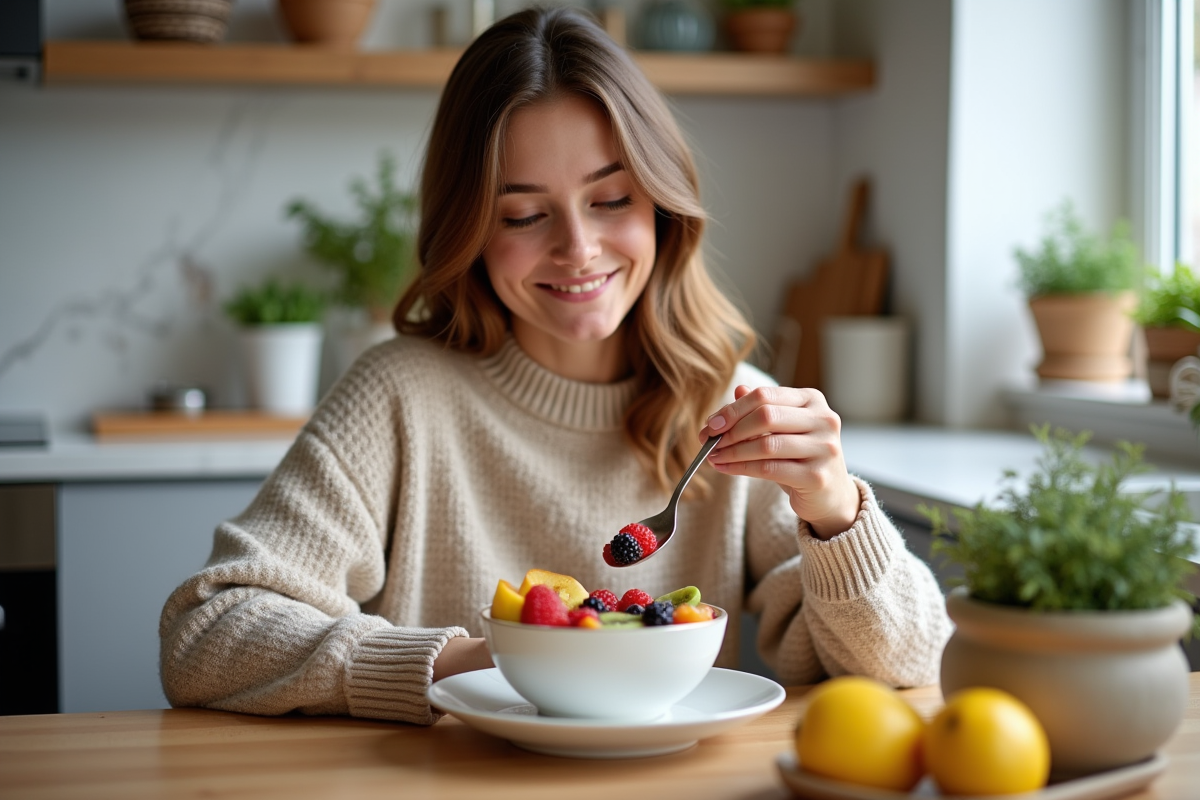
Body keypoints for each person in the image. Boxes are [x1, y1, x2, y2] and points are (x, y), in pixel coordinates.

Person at [160, 6, 951, 726]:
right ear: (469, 229)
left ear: (661, 206)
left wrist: (835, 511)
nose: (578, 249)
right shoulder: (399, 397)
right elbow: (207, 630)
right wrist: (468, 666)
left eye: (611, 200)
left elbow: (912, 664)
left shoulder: (731, 410)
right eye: (525, 215)